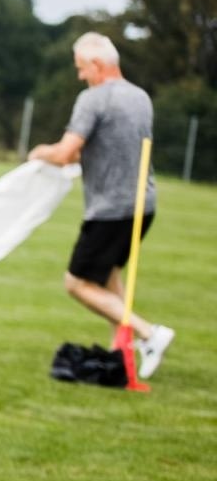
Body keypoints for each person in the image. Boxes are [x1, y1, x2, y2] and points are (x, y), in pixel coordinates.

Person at [29, 32, 174, 377]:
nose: (80, 76)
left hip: (111, 207)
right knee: (109, 277)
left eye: (81, 68)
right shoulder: (141, 97)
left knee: (76, 282)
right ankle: (119, 355)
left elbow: (66, 153)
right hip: (144, 202)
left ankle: (149, 334)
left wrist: (39, 153)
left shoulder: (93, 99)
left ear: (96, 64)